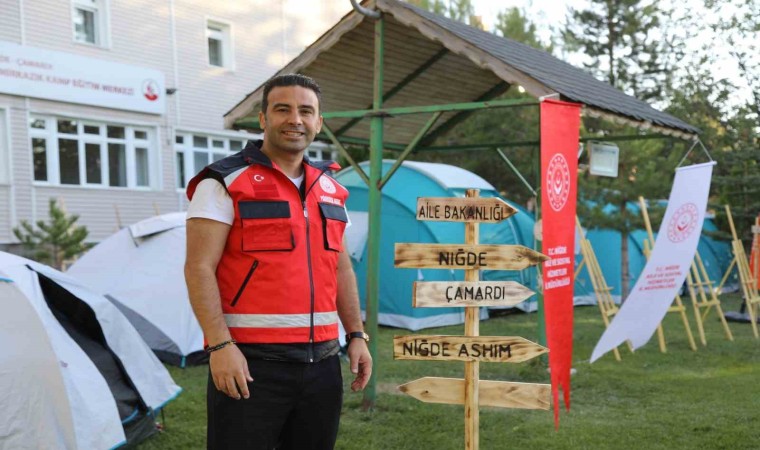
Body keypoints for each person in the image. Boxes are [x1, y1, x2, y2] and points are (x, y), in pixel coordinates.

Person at [184, 73, 372, 450]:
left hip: (323, 365)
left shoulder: (331, 189)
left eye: (306, 111)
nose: (295, 119)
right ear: (263, 118)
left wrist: (356, 335)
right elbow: (198, 267)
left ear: (319, 122)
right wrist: (219, 346)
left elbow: (340, 267)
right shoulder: (223, 181)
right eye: (283, 109)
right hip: (249, 363)